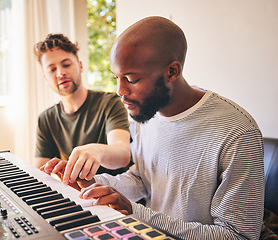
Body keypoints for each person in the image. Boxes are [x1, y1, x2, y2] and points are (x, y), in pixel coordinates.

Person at [40, 17, 264, 240]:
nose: (120, 90)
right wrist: (91, 184)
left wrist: (134, 211)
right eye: (117, 77)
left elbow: (237, 236)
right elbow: (141, 179)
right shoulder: (144, 113)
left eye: (131, 79)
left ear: (172, 71)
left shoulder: (237, 132)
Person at [33, 33, 131, 181]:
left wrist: (98, 151)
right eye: (52, 70)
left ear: (80, 66)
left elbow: (122, 154)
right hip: (76, 197)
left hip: (116, 196)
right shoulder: (46, 119)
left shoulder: (109, 102)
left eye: (66, 65)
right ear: (46, 78)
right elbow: (40, 174)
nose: (60, 73)